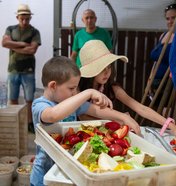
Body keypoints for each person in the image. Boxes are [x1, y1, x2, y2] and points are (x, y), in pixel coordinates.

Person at [30, 56, 140, 185]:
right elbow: (53, 115)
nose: (74, 93)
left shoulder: (69, 102)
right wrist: (88, 92)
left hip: (67, 173)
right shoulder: (39, 105)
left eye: (76, 88)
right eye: (71, 88)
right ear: (53, 85)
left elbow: (96, 110)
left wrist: (123, 117)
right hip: (44, 178)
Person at [78, 40, 176, 138]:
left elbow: (140, 108)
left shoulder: (113, 88)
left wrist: (172, 126)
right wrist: (120, 118)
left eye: (109, 67)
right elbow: (84, 115)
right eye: (101, 68)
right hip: (84, 135)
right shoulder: (78, 90)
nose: (106, 73)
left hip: (108, 135)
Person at [2, 4, 41, 132]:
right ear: (17, 17)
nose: (24, 21)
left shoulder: (34, 31)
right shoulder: (10, 29)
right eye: (22, 18)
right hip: (13, 69)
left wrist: (13, 46)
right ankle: (15, 122)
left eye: (27, 19)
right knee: (12, 98)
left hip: (28, 70)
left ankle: (30, 123)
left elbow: (32, 50)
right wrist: (22, 44)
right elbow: (4, 43)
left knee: (29, 99)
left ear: (30, 18)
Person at [149, 3, 176, 106]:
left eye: (173, 18)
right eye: (167, 18)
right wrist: (150, 80)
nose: (170, 21)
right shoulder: (163, 35)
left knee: (166, 117)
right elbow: (156, 61)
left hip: (168, 86)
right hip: (155, 84)